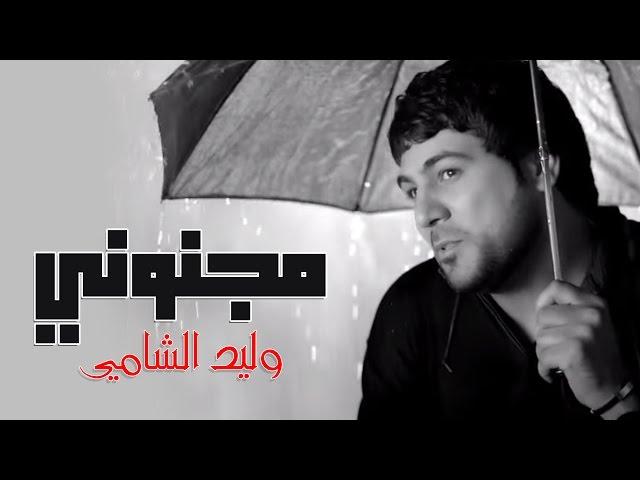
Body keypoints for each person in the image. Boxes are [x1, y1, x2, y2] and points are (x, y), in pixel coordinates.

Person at [358, 60, 640, 420]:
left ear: (539, 167)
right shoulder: (412, 313)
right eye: (413, 191)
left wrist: (614, 397)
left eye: (448, 172)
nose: (424, 215)